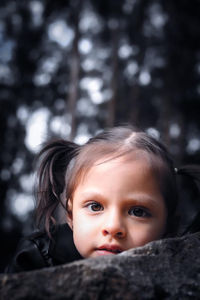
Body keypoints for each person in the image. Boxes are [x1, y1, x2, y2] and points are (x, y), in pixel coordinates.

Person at [6, 125, 200, 273]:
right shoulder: (35, 259)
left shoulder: (179, 274)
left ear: (169, 226)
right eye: (95, 206)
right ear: (71, 215)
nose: (113, 227)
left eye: (138, 212)